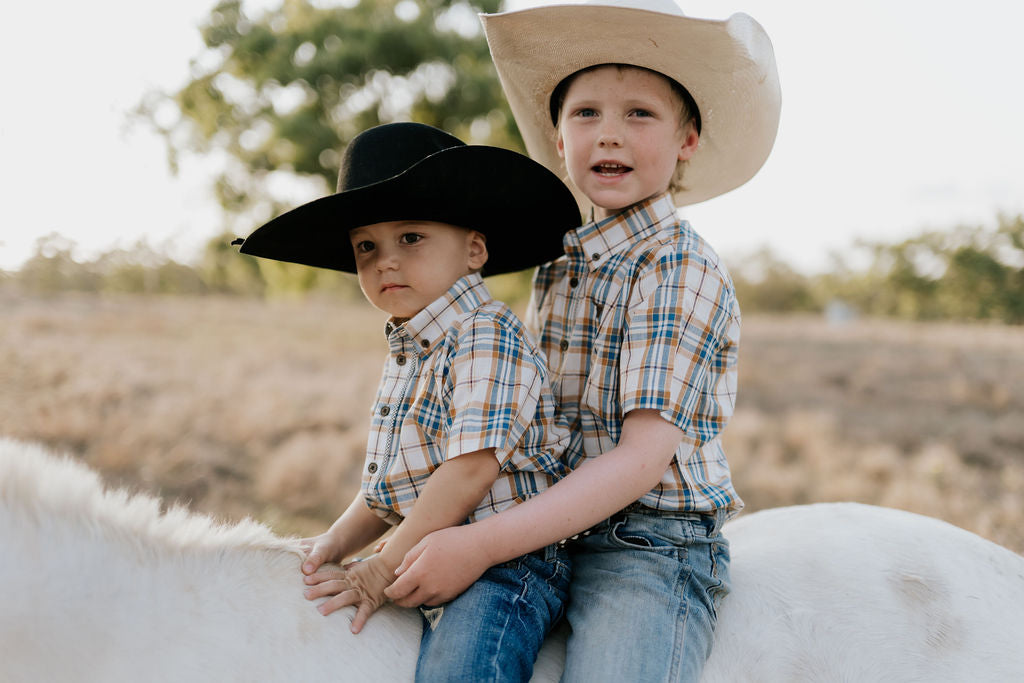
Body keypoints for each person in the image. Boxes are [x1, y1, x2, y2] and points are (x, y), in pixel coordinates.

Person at [382, 1, 782, 681]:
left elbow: (638, 460)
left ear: (688, 139)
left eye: (640, 114)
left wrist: (478, 542)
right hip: (549, 525)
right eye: (586, 113)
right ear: (558, 135)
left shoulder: (679, 266)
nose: (609, 136)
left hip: (651, 541)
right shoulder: (560, 260)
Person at [232, 121, 582, 682]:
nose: (385, 261)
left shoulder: (485, 333)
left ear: (474, 249)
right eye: (366, 246)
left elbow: (468, 471)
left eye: (410, 238)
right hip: (429, 541)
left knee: (460, 671)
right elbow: (387, 492)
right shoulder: (413, 346)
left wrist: (380, 569)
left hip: (507, 562)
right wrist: (331, 544)